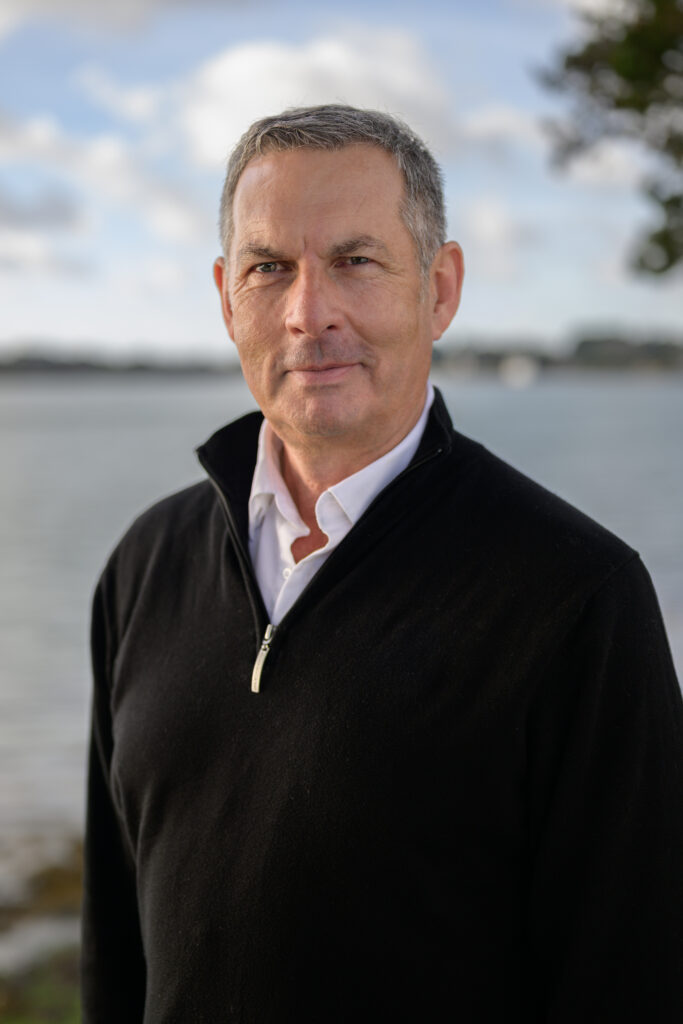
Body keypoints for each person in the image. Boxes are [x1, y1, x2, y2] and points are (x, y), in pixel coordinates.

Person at [81, 104, 683, 1022]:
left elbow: (632, 980)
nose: (307, 314)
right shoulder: (145, 565)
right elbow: (113, 947)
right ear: (226, 297)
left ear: (438, 290)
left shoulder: (575, 597)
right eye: (268, 268)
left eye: (355, 261)